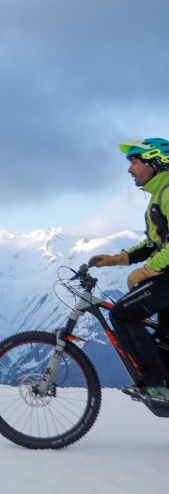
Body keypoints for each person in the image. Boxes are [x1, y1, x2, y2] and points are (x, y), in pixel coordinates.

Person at [88, 138, 169, 403]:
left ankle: (157, 386)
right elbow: (153, 243)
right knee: (164, 339)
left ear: (156, 162)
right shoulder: (159, 194)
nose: (129, 169)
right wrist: (116, 259)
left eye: (135, 161)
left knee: (124, 315)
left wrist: (147, 271)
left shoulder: (168, 192)